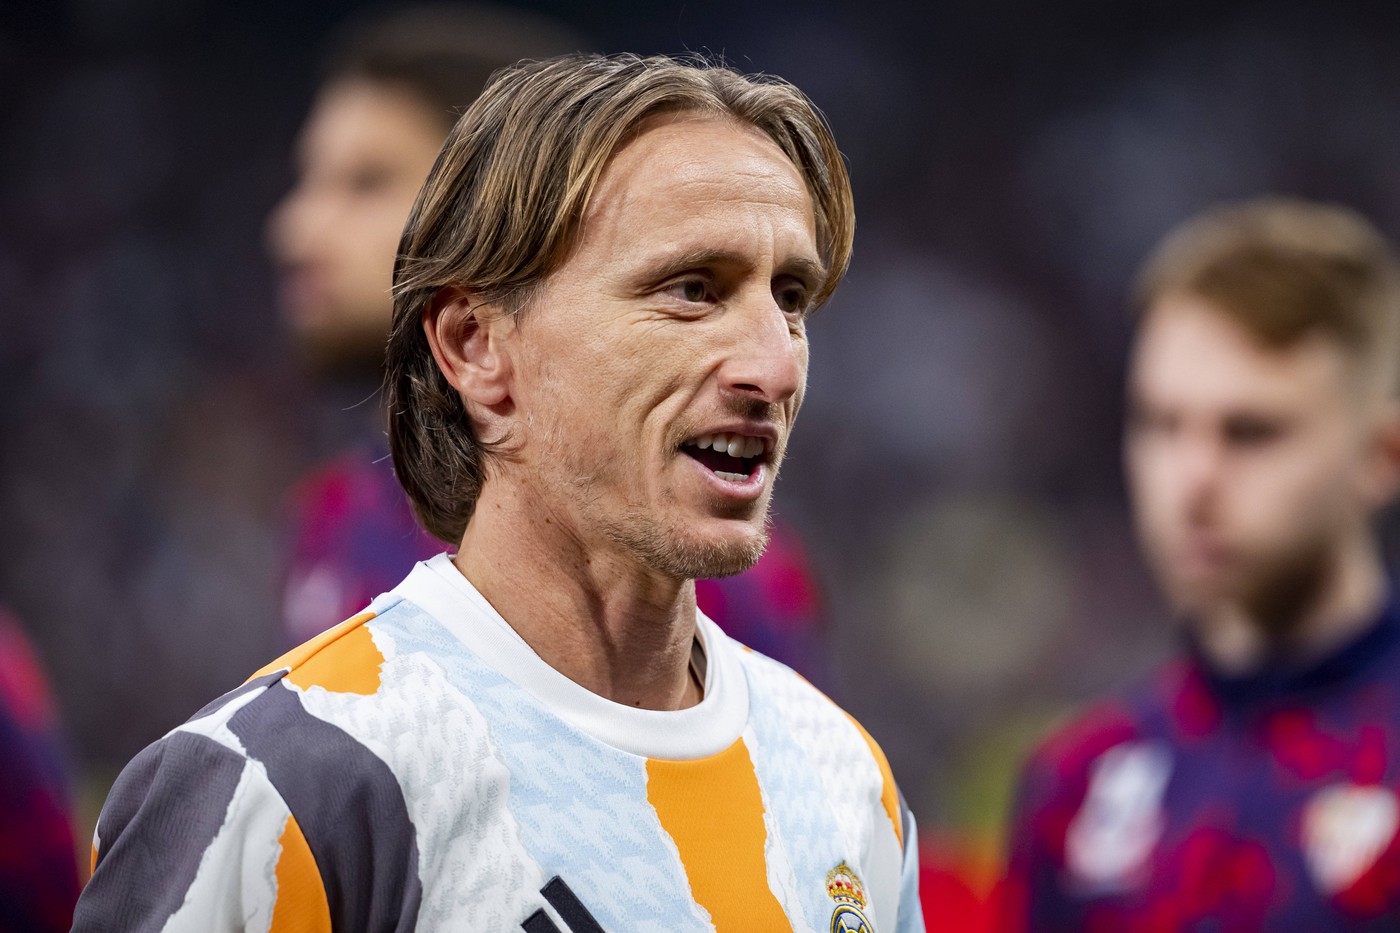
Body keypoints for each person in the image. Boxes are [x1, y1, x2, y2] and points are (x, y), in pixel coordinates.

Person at [74, 53, 924, 931]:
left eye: (791, 298)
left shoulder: (846, 780)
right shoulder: (272, 790)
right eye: (691, 289)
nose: (776, 365)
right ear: (477, 346)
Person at [268, 8, 833, 687]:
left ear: (501, 217)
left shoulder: (706, 569)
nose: (297, 229)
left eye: (368, 183)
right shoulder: (335, 513)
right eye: (312, 180)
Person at [1005, 197, 1400, 929]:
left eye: (1251, 432)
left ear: (1381, 456)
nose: (1191, 481)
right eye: (1160, 423)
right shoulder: (1075, 781)